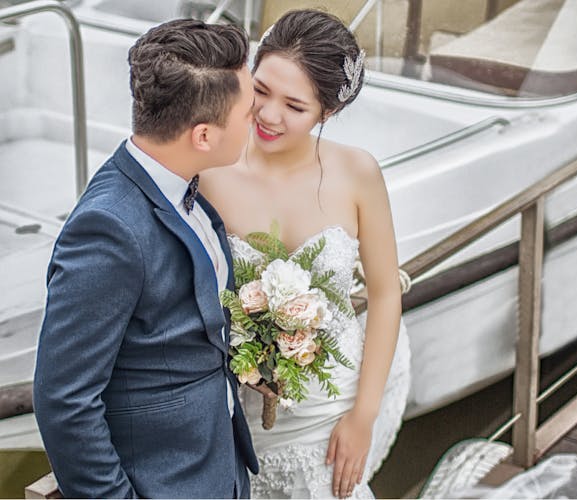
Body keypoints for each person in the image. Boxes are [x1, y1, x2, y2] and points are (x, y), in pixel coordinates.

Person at [33, 19, 259, 498]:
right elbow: (65, 401)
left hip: (218, 468)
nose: (255, 120)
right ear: (203, 135)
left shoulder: (184, 182)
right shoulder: (109, 230)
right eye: (247, 111)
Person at [200, 9, 411, 499]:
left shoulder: (358, 173)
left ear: (327, 113)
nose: (268, 115)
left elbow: (383, 295)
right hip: (243, 409)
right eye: (261, 90)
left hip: (334, 403)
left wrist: (363, 416)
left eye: (294, 106)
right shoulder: (211, 171)